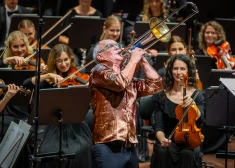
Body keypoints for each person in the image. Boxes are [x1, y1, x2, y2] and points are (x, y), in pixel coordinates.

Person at [89, 39, 163, 168]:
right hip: (107, 145)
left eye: (118, 45)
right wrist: (133, 60)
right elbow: (119, 83)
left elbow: (156, 85)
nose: (118, 47)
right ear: (100, 56)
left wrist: (143, 61)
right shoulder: (98, 70)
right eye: (111, 46)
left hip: (129, 145)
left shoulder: (129, 79)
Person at [23, 43, 93, 168]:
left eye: (66, 59)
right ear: (54, 62)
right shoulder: (49, 80)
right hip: (54, 126)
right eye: (59, 61)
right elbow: (26, 83)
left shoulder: (79, 75)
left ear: (71, 58)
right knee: (49, 152)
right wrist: (47, 75)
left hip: (76, 126)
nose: (63, 64)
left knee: (83, 149)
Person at [150, 54, 205, 168]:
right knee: (162, 151)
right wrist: (162, 139)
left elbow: (201, 122)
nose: (178, 72)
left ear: (188, 71)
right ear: (170, 70)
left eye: (182, 68)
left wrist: (193, 106)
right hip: (167, 137)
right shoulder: (161, 96)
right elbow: (158, 124)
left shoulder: (197, 95)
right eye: (175, 68)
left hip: (189, 140)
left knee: (187, 153)